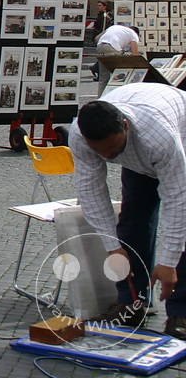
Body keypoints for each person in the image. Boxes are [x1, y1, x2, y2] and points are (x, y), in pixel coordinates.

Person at [69, 83, 186, 337]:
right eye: (100, 151)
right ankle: (132, 303)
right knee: (132, 224)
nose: (107, 156)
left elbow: (178, 201)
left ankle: (181, 313)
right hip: (139, 159)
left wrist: (168, 262)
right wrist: (112, 245)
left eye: (111, 148)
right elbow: (91, 192)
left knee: (183, 235)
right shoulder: (80, 136)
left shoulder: (158, 137)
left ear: (125, 126)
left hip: (180, 138)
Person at [96, 23, 140, 91]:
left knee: (104, 77)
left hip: (100, 46)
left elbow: (97, 38)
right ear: (137, 34)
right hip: (111, 48)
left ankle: (101, 99)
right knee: (120, 75)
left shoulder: (114, 27)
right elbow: (134, 54)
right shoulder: (133, 34)